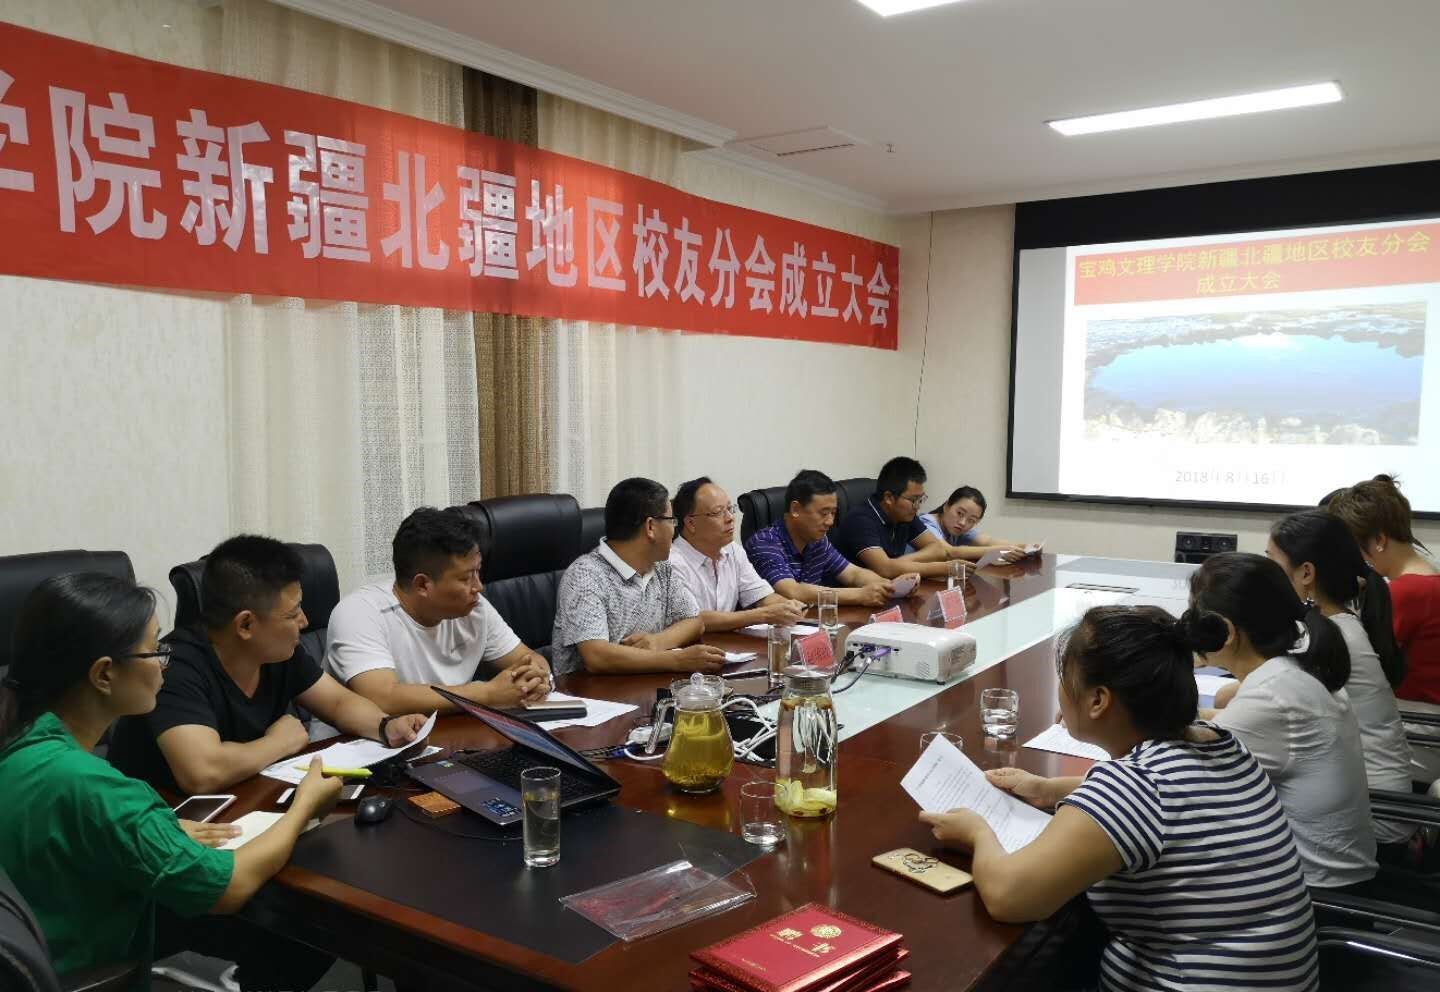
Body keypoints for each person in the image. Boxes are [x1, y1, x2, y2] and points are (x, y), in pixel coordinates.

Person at [919, 605, 1318, 991]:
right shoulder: (1220, 742)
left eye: (1064, 679)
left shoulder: (1133, 788)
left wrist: (977, 833)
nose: (1060, 691)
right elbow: (1166, 801)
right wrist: (1048, 789)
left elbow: (1008, 897)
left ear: (1098, 700)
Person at [0, 573, 342, 991]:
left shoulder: (25, 740)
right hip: (86, 964)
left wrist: (147, 830)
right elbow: (229, 887)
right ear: (104, 675)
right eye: (155, 650)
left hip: (53, 926)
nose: (166, 662)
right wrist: (304, 805)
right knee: (298, 932)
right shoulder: (97, 789)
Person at [108, 536, 429, 794]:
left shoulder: (278, 652)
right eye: (293, 613)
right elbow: (202, 773)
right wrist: (280, 742)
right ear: (246, 625)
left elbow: (338, 702)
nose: (304, 621)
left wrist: (386, 726)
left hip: (247, 801)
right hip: (165, 823)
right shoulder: (175, 667)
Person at [1189, 552, 1376, 888]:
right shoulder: (1297, 664)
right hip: (1335, 873)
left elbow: (1177, 783)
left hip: (1313, 893)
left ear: (1225, 632)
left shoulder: (1270, 696)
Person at [1264, 510, 1416, 849]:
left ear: (1306, 573)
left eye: (1272, 561)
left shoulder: (1327, 638)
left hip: (1375, 810)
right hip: (1370, 796)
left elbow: (1243, 698)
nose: (1265, 573)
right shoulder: (1340, 623)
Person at [326, 507, 551, 715]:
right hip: (358, 743)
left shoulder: (474, 607)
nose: (479, 586)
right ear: (422, 585)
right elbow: (383, 697)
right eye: (466, 578)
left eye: (478, 572)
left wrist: (537, 677)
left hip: (449, 734)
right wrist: (487, 694)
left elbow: (528, 657)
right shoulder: (360, 613)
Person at [551, 477, 726, 676]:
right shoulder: (585, 575)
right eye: (671, 521)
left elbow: (694, 621)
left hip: (644, 685)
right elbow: (596, 656)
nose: (674, 530)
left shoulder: (662, 568)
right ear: (651, 527)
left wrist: (658, 642)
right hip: (590, 691)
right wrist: (677, 660)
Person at [1328, 475, 1440, 705]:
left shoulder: (1406, 592)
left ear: (1379, 539)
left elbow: (1362, 661)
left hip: (1416, 713)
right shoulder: (1427, 579)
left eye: (1354, 547)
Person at [745, 469, 906, 607]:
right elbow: (793, 591)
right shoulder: (765, 543)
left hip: (810, 623)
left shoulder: (818, 541)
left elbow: (853, 574)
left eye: (833, 513)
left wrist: (890, 587)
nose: (830, 522)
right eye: (823, 513)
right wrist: (860, 595)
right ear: (795, 509)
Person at [669, 477, 808, 632]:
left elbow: (762, 596)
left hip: (727, 644)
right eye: (718, 512)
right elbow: (693, 619)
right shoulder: (671, 564)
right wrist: (765, 614)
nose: (730, 518)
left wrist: (787, 606)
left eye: (730, 509)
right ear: (691, 523)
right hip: (689, 646)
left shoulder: (732, 550)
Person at [830, 457, 974, 581]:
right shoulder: (860, 520)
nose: (918, 506)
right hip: (852, 595)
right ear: (889, 498)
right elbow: (885, 570)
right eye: (914, 500)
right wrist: (945, 568)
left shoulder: (905, 515)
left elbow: (937, 549)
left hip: (890, 588)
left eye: (920, 499)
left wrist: (898, 563)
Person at [915, 486, 1028, 562]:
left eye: (971, 520)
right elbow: (949, 552)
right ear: (946, 506)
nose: (963, 522)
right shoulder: (926, 523)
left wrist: (1027, 548)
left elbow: (988, 542)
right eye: (959, 513)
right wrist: (998, 551)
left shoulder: (956, 529)